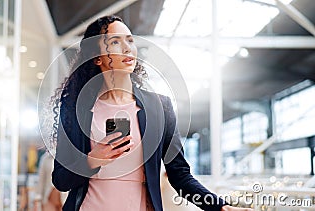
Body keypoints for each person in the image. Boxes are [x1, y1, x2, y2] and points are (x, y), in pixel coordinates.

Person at [48, 15, 253, 211]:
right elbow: (61, 180)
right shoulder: (75, 108)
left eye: (130, 40)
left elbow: (179, 175)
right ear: (96, 58)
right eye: (115, 42)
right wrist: (93, 159)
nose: (128, 48)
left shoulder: (159, 107)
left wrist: (219, 206)